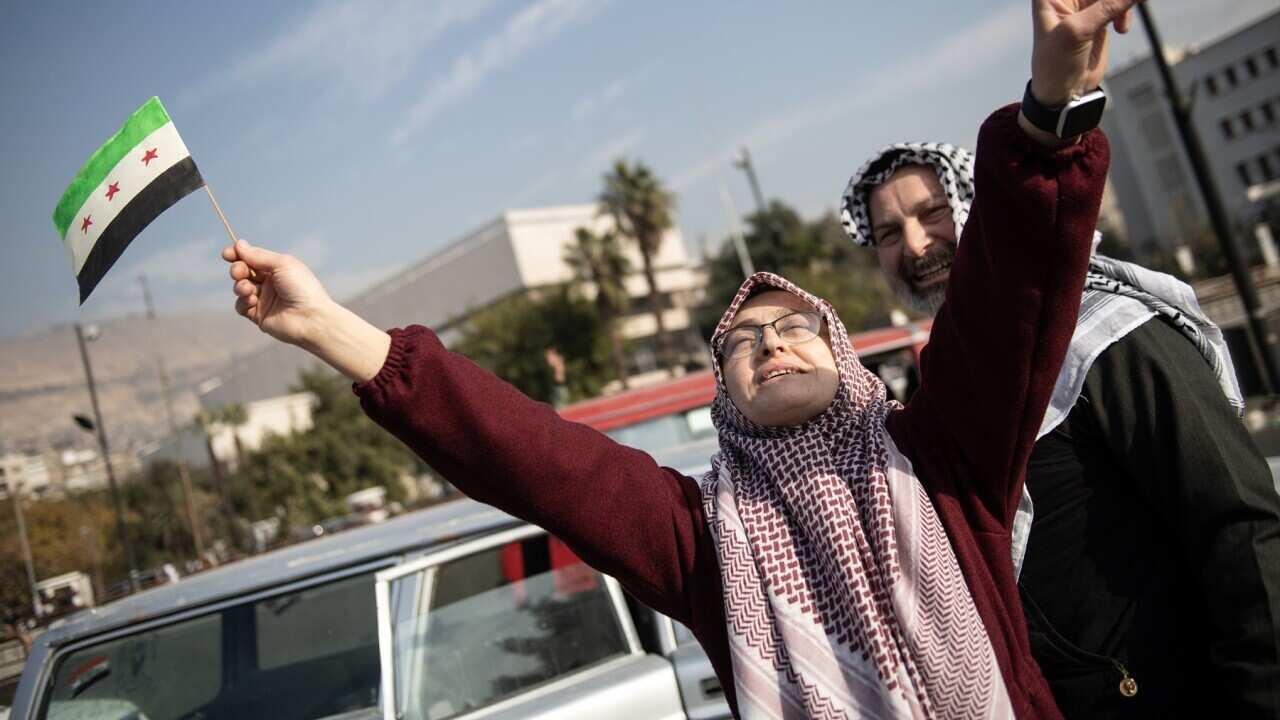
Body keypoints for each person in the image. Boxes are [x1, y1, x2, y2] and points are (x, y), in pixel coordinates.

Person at [222, 2, 1135, 716]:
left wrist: (1050, 112)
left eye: (792, 327)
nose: (768, 341)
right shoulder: (704, 540)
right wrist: (331, 329)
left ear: (846, 356)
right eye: (739, 342)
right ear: (725, 403)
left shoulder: (944, 457)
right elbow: (535, 460)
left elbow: (1010, 298)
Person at [839, 116, 1280, 718]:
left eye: (932, 212)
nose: (915, 246)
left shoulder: (1104, 330)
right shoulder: (942, 387)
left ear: (977, 205)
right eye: (889, 233)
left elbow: (1240, 525)